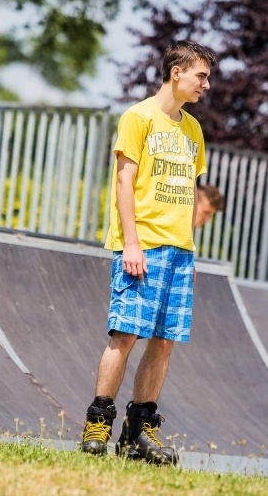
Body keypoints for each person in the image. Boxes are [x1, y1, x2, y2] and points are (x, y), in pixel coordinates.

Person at [79, 40, 217, 465]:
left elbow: (190, 193)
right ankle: (98, 421)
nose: (205, 86)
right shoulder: (138, 118)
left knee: (164, 342)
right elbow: (124, 183)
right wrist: (132, 244)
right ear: (177, 72)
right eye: (201, 76)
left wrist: (190, 251)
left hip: (179, 251)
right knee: (125, 334)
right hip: (143, 246)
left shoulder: (192, 130)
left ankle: (139, 430)